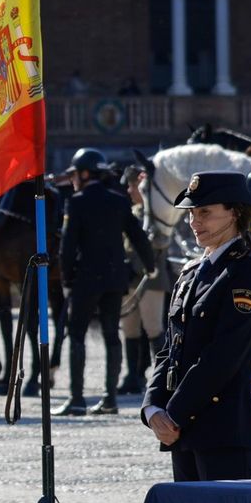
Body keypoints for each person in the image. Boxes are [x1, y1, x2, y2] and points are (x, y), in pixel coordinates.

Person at [142, 171, 251, 482]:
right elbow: (171, 349)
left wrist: (173, 414)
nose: (194, 222)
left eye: (205, 213)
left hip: (224, 433)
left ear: (235, 213)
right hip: (182, 434)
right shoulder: (191, 272)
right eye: (192, 214)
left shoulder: (244, 272)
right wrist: (152, 407)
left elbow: (223, 356)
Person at [57, 147, 155, 416]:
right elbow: (138, 237)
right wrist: (151, 266)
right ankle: (109, 398)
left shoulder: (76, 202)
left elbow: (67, 246)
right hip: (114, 279)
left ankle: (77, 399)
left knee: (77, 335)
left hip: (85, 280)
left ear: (85, 173)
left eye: (76, 173)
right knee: (113, 335)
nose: (74, 178)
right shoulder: (119, 201)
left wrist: (66, 278)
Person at [117, 166, 168, 395]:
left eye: (133, 186)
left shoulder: (156, 214)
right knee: (130, 328)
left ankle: (163, 376)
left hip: (151, 279)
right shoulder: (133, 211)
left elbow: (156, 246)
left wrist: (136, 266)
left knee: (154, 327)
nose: (129, 190)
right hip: (130, 279)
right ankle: (133, 375)